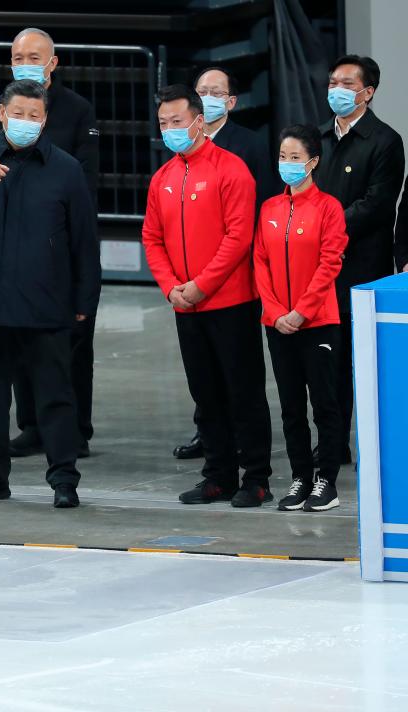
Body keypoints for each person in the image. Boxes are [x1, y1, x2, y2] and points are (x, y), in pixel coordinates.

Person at [0, 79, 100, 509]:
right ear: (2, 114)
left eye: (35, 116)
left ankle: (64, 478)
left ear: (45, 119)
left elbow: (84, 240)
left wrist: (85, 302)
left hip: (45, 302)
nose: (26, 122)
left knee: (55, 395)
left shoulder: (65, 168)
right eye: (19, 114)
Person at [142, 84, 273, 507]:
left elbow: (238, 237)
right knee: (206, 394)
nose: (170, 130)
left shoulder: (231, 169)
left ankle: (256, 477)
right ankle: (218, 475)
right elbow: (152, 236)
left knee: (244, 392)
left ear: (199, 121)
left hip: (230, 303)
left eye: (177, 122)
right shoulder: (163, 177)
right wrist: (172, 289)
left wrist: (201, 284)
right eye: (163, 123)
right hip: (186, 304)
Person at [0, 27, 100, 459]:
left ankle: (75, 429)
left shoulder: (77, 109)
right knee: (18, 346)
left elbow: (86, 180)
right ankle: (30, 426)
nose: (25, 60)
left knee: (71, 346)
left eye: (34, 54)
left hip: (60, 242)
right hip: (12, 246)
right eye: (17, 54)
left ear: (53, 62)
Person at [174, 65, 280, 461]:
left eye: (215, 91)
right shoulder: (182, 148)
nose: (207, 97)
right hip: (192, 277)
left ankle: (244, 444)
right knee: (203, 369)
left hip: (235, 274)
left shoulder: (248, 145)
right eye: (201, 90)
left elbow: (258, 211)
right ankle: (210, 433)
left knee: (238, 367)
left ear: (231, 101)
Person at [316, 55, 405, 465]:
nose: (337, 89)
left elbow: (377, 205)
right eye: (334, 81)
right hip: (319, 266)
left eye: (347, 83)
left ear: (367, 93)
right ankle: (334, 442)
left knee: (361, 359)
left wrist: (324, 225)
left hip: (360, 266)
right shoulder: (318, 138)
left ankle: (373, 440)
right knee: (327, 360)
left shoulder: (385, 141)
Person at [255, 124, 348, 512]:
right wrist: (276, 313)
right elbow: (260, 262)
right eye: (282, 156)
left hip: (318, 322)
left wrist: (301, 311)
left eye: (295, 158)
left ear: (312, 162)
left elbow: (330, 263)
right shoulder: (270, 208)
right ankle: (300, 477)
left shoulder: (329, 208)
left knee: (324, 404)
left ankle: (326, 480)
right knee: (291, 406)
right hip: (278, 325)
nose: (287, 164)